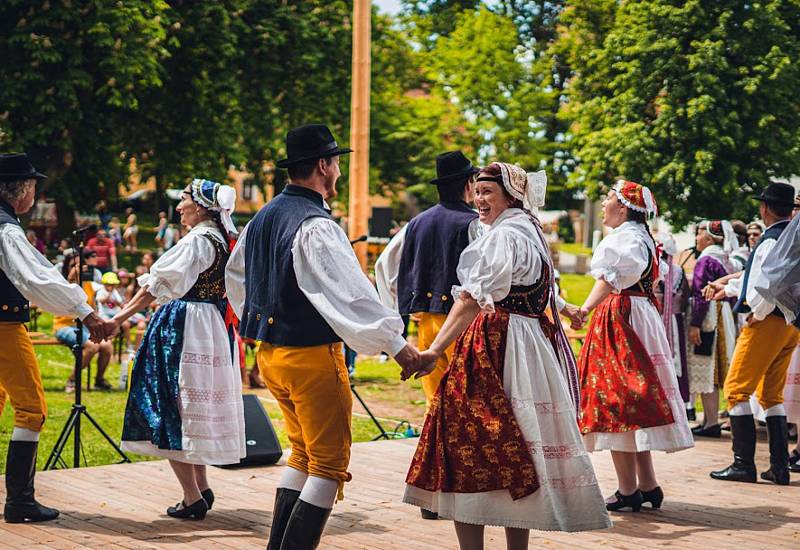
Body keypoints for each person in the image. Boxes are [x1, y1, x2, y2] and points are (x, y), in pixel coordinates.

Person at [225, 124, 419, 550]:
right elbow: (352, 296)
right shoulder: (315, 225)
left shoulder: (262, 218)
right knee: (329, 466)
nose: (337, 172)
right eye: (335, 163)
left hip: (271, 356)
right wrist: (398, 346)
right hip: (311, 357)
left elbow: (236, 278)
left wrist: (259, 321)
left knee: (301, 454)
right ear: (322, 166)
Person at [404, 162, 610, 550]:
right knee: (524, 441)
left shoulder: (501, 237)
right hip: (529, 344)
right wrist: (566, 310)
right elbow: (538, 286)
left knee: (472, 442)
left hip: (495, 344)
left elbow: (469, 300)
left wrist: (433, 350)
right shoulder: (527, 228)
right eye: (477, 192)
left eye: (488, 193)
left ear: (510, 196)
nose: (479, 200)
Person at [106, 178, 245, 519]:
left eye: (184, 200)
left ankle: (192, 496)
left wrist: (118, 318)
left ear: (201, 206)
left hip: (184, 326)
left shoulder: (197, 241)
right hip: (211, 325)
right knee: (191, 403)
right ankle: (201, 487)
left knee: (171, 402)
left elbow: (156, 286)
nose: (180, 207)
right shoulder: (225, 240)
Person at [576, 180, 693, 513]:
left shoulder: (626, 238)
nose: (603, 204)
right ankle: (647, 484)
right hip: (640, 315)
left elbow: (611, 278)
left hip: (622, 317)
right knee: (633, 400)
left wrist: (584, 310)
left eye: (608, 199)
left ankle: (629, 490)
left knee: (617, 400)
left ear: (623, 208)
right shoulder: (644, 237)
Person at [0, 152, 105, 523]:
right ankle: (20, 501)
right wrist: (86, 311)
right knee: (31, 410)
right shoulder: (7, 229)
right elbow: (36, 278)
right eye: (32, 186)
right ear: (21, 190)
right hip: (4, 328)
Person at [705, 182, 799, 485]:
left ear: (765, 208)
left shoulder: (771, 240)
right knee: (771, 394)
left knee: (735, 390)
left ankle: (743, 464)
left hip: (767, 321)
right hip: (790, 324)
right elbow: (754, 278)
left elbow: (762, 286)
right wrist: (728, 288)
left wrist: (754, 317)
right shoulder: (790, 237)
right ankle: (779, 467)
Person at [686, 221, 738, 438]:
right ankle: (709, 419)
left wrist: (695, 324)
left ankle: (711, 422)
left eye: (698, 234)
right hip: (723, 313)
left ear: (707, 237)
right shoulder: (725, 258)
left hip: (709, 315)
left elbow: (700, 293)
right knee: (713, 368)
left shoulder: (706, 259)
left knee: (707, 365)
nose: (696, 239)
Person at [54, 253, 114, 392]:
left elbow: (92, 310)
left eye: (80, 266)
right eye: (72, 266)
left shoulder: (88, 285)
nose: (77, 269)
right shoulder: (62, 284)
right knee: (92, 347)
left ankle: (99, 380)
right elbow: (65, 302)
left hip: (84, 327)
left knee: (107, 346)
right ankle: (72, 380)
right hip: (64, 326)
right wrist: (71, 279)